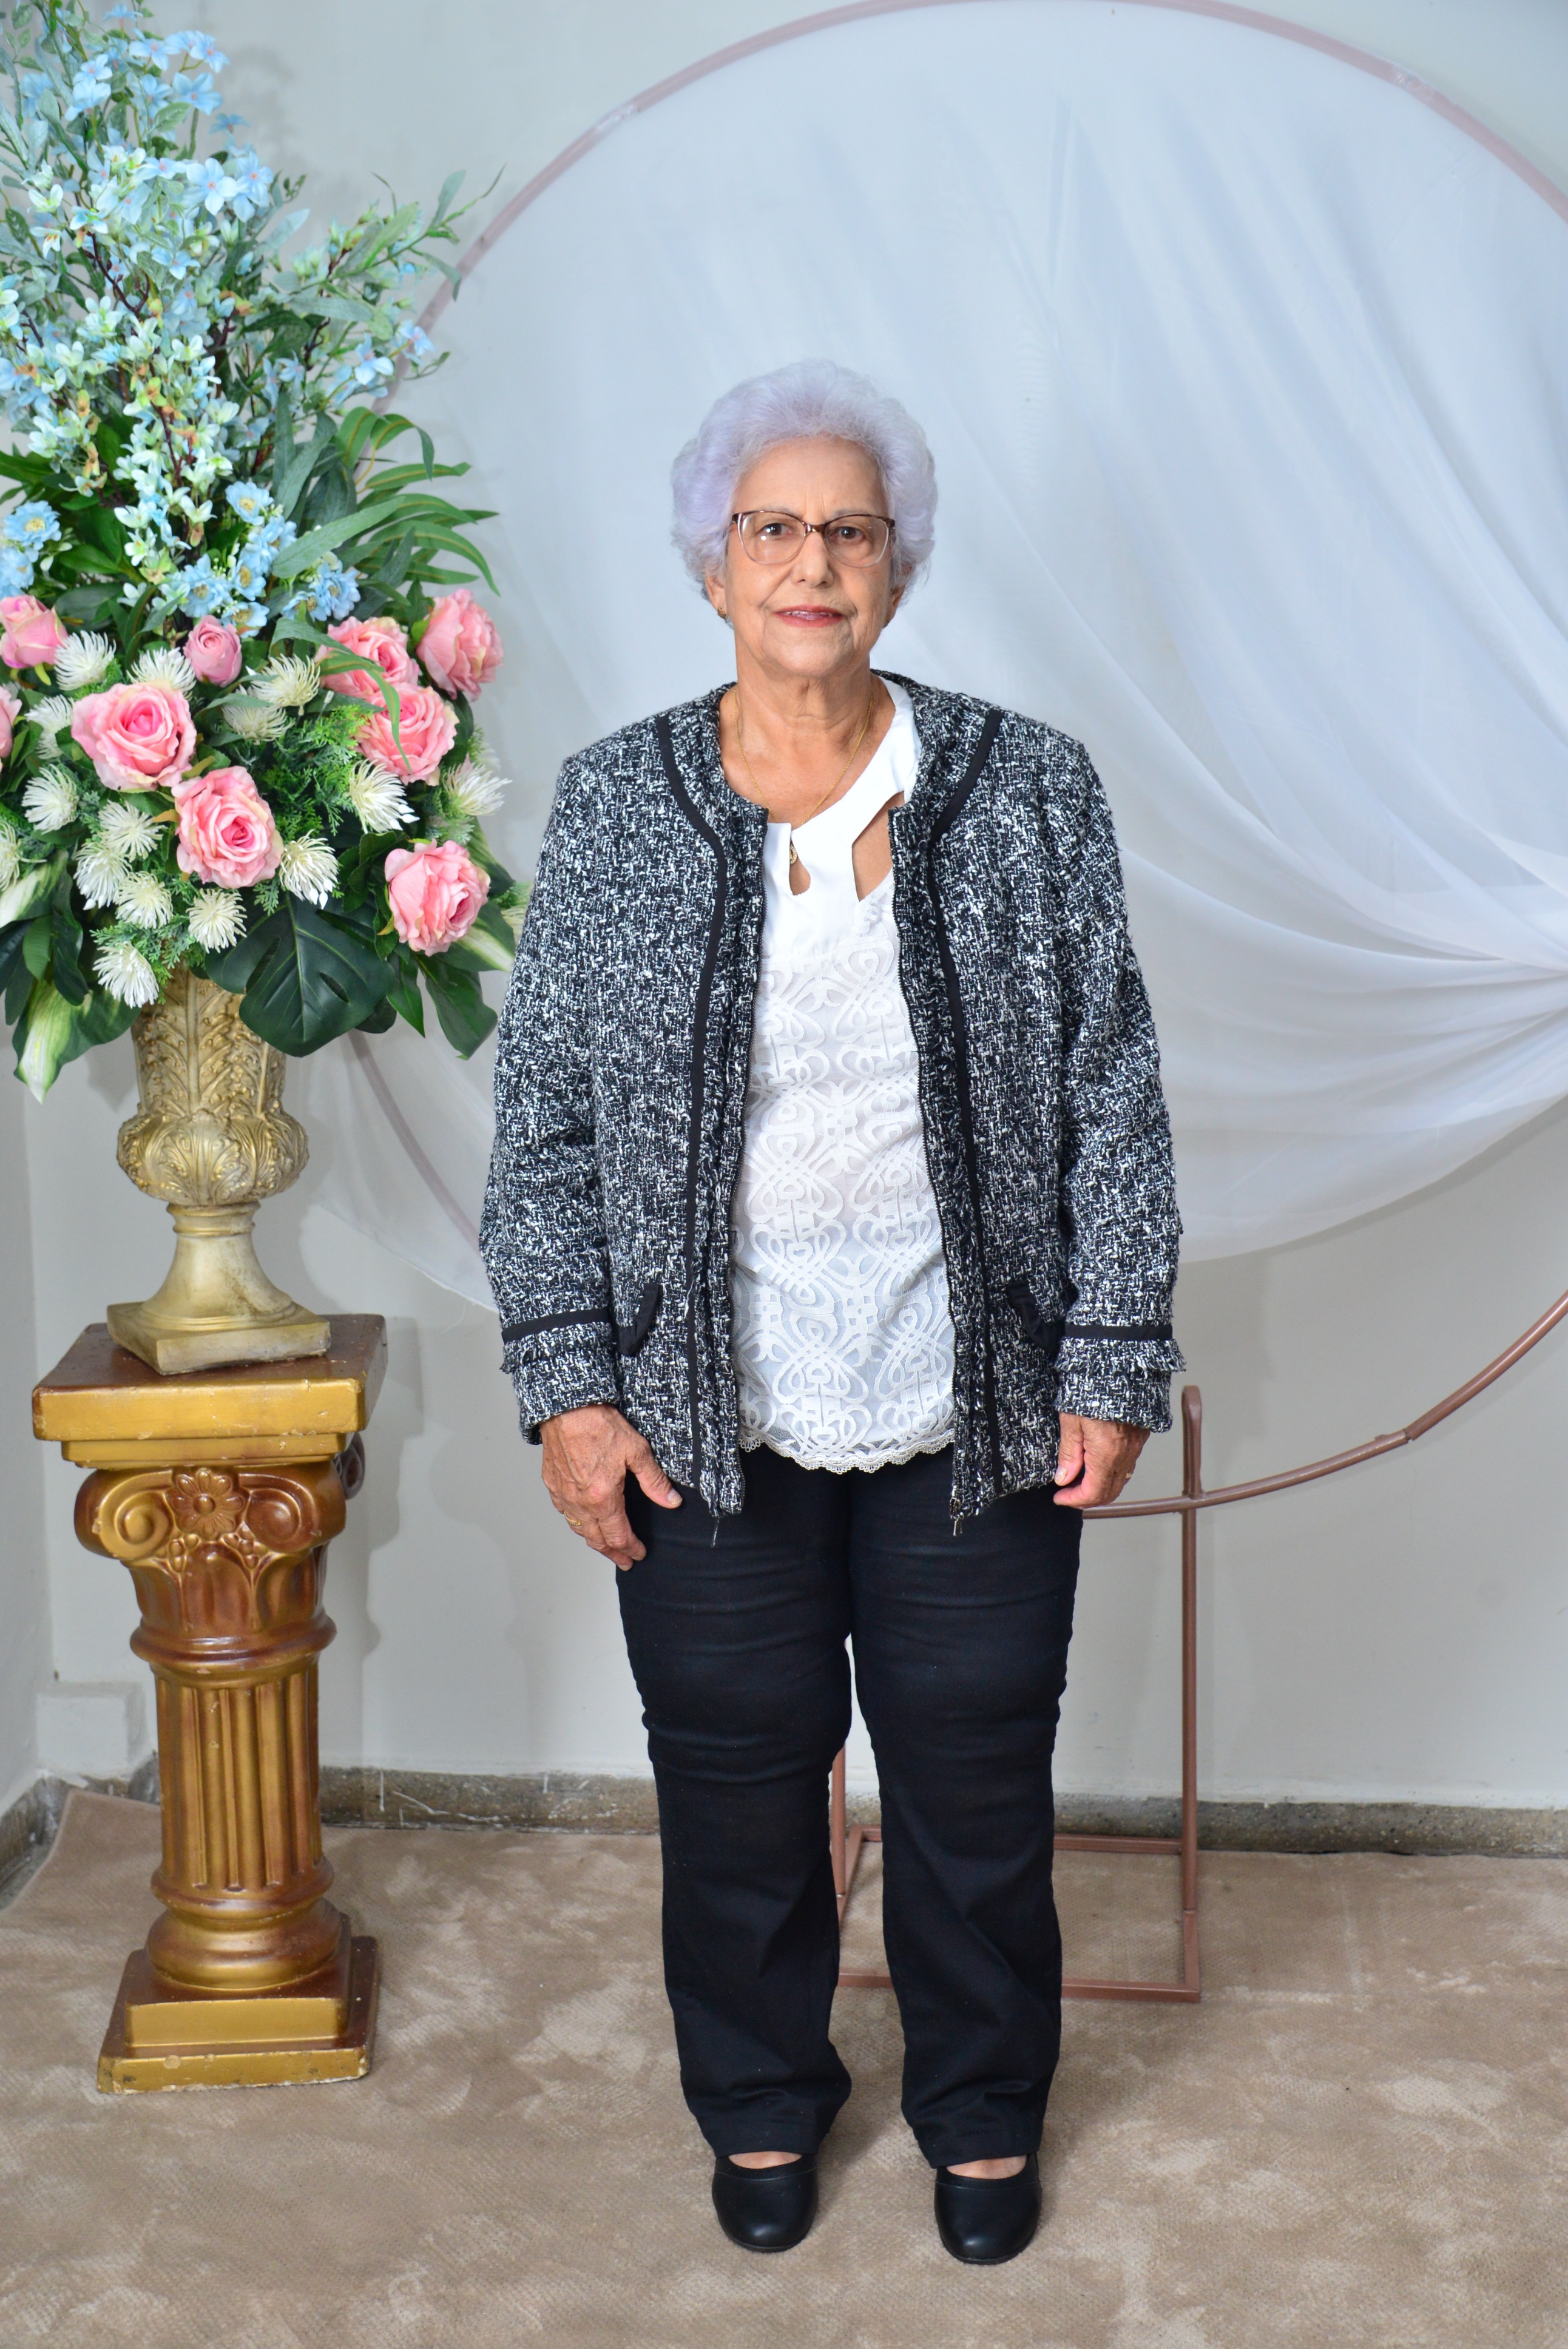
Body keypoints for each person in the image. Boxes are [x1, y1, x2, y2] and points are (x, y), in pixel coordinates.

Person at [481, 360, 1182, 2264]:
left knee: (973, 1785)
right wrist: (569, 1386)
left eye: (849, 531)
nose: (811, 563)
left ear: (900, 565)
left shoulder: (1027, 786)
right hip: (699, 1411)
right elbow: (543, 1120)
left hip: (977, 1394)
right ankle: (763, 2102)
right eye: (773, 528)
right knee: (733, 1788)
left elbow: (1113, 1089)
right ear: (713, 564)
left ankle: (981, 2115)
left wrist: (1116, 1352)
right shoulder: (617, 802)